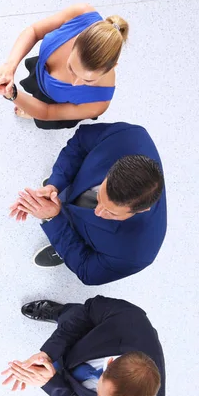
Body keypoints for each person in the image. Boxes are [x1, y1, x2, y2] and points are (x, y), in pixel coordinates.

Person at [10, 122, 167, 285]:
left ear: (143, 209)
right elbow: (80, 143)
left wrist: (54, 220)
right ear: (112, 170)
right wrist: (55, 184)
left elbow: (87, 270)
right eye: (99, 197)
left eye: (111, 212)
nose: (98, 212)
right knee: (70, 196)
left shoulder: (136, 253)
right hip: (78, 187)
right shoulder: (128, 135)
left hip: (89, 242)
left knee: (76, 248)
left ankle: (66, 247)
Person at [1, 296, 165, 396]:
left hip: (77, 370)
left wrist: (50, 383)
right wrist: (48, 354)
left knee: (61, 371)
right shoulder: (128, 317)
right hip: (93, 337)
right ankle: (58, 313)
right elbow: (85, 312)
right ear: (109, 363)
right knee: (73, 316)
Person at [0, 4, 128, 129]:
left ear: (112, 67)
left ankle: (30, 112)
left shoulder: (98, 102)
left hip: (55, 104)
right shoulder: (81, 14)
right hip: (41, 72)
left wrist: (12, 93)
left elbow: (48, 112)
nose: (74, 82)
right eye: (71, 67)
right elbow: (34, 31)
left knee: (39, 115)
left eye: (88, 81)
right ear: (76, 41)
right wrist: (10, 66)